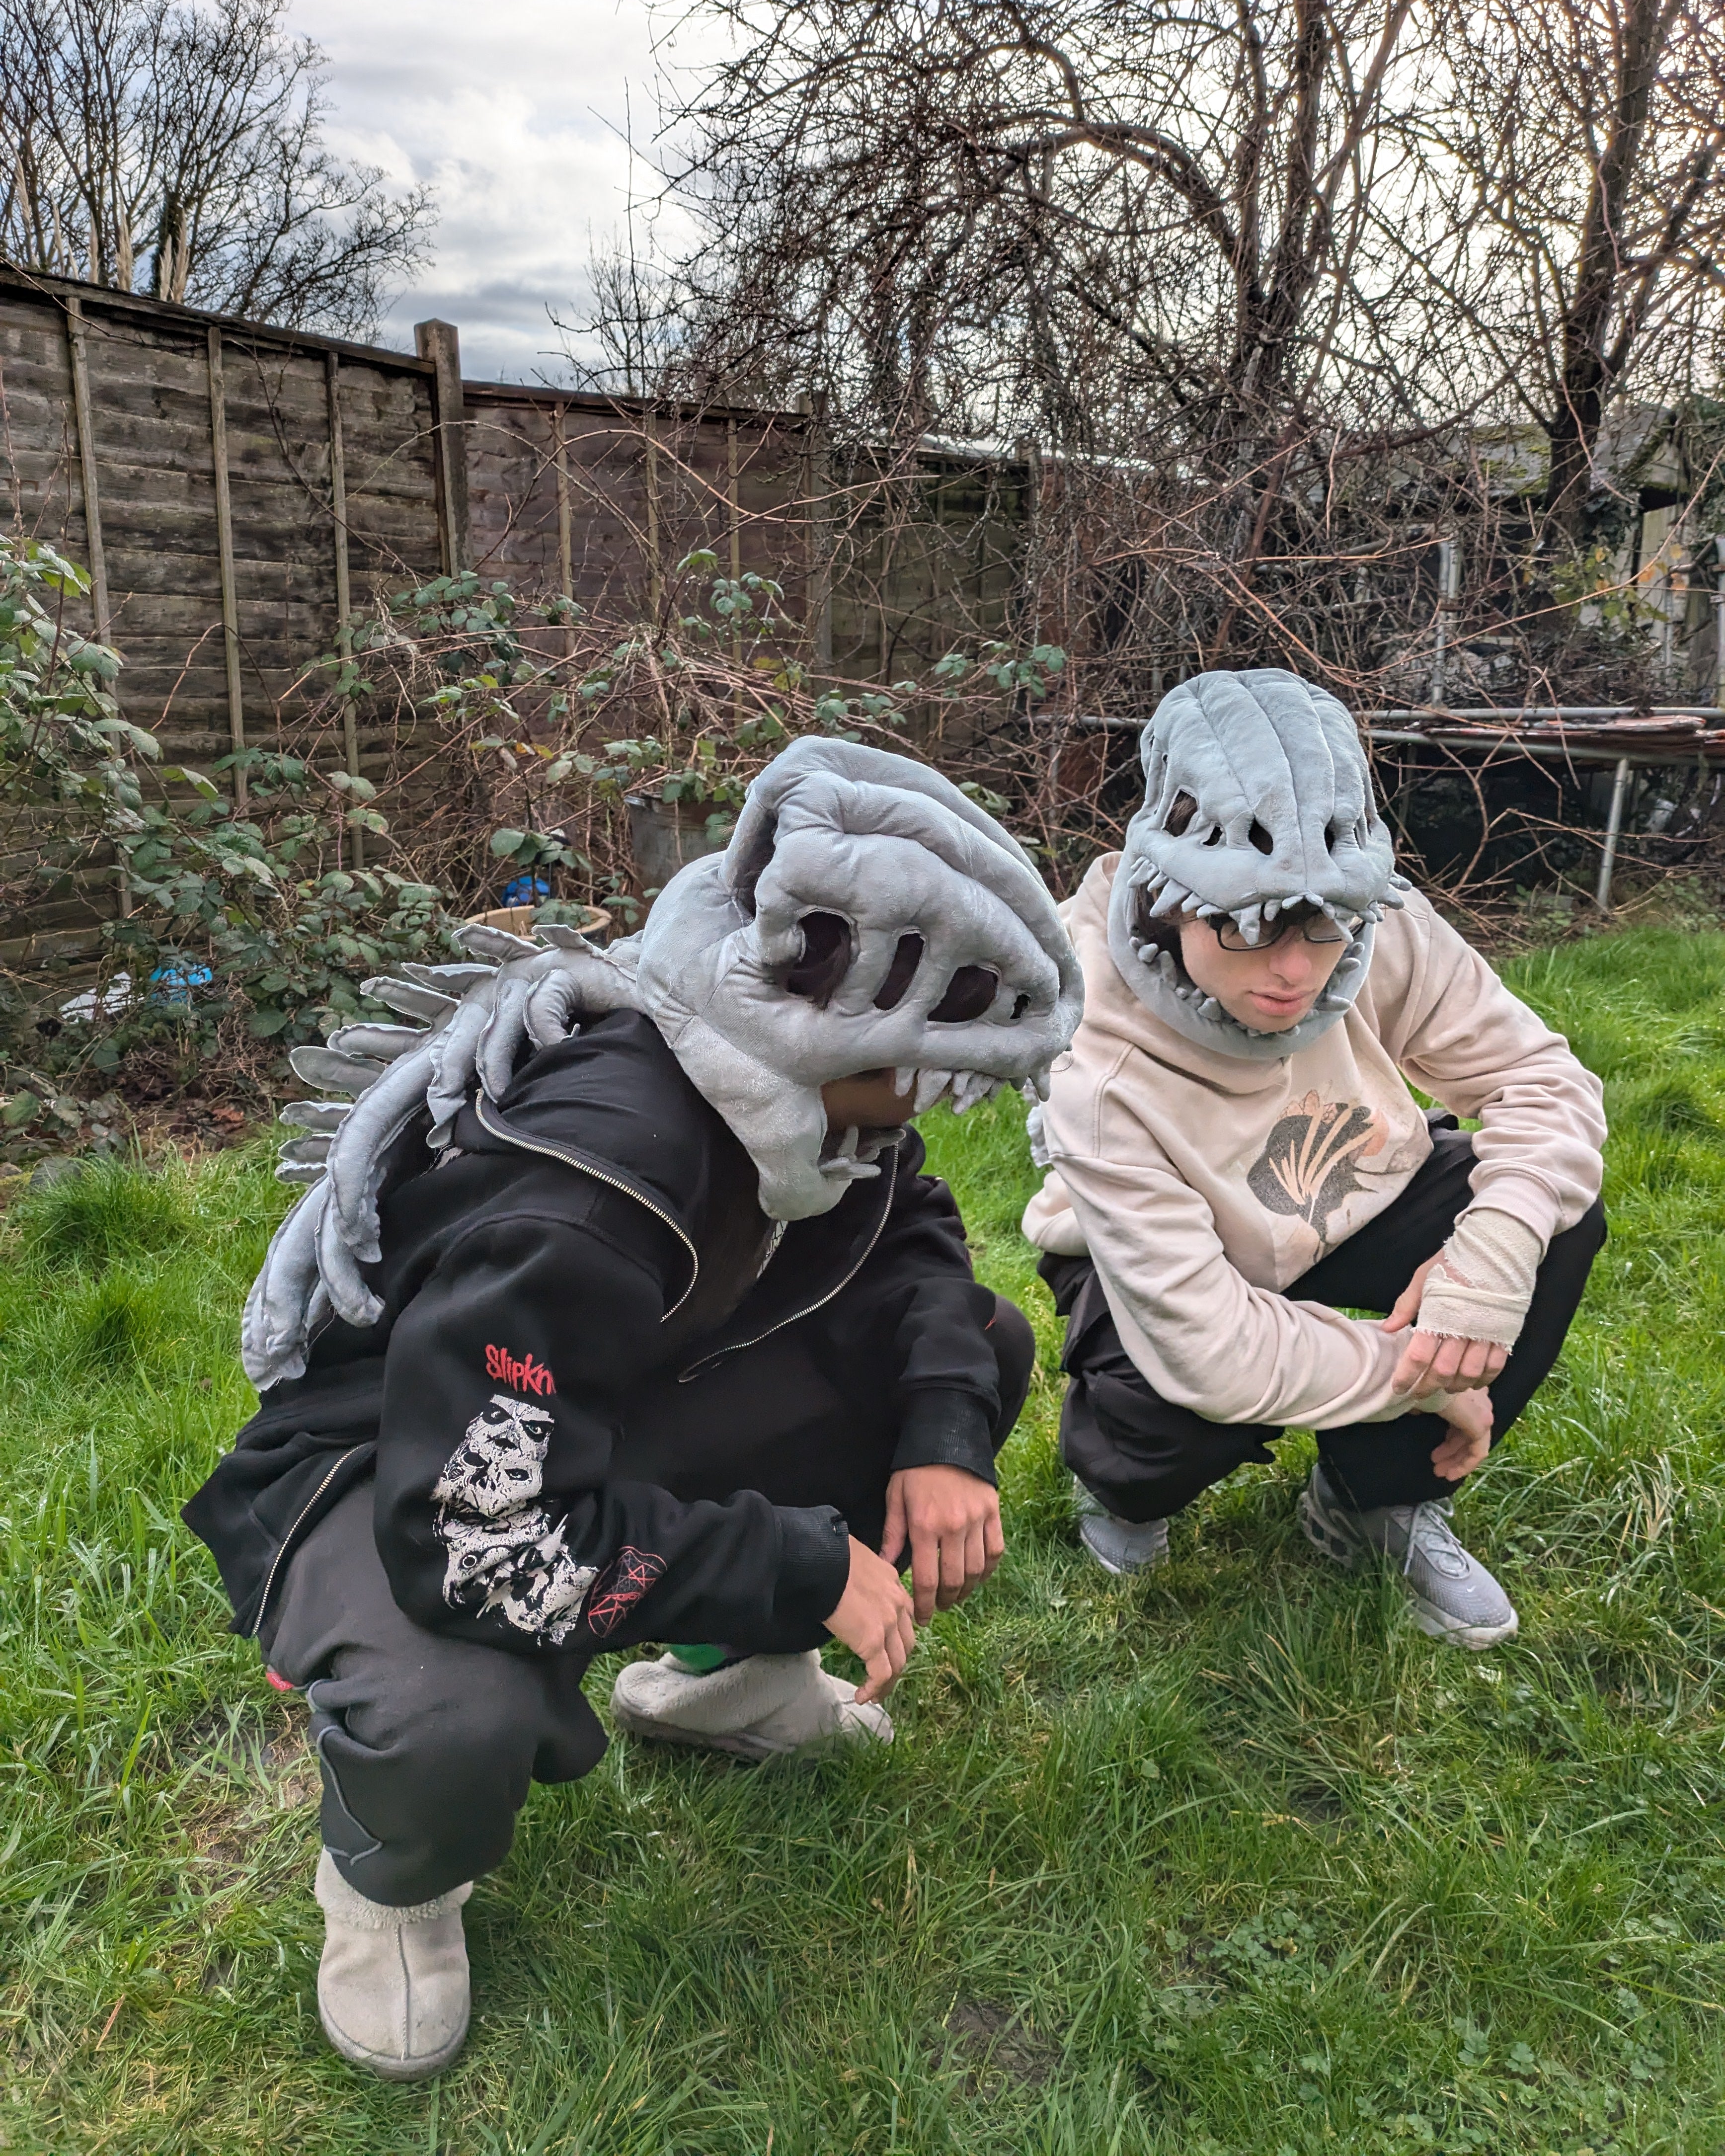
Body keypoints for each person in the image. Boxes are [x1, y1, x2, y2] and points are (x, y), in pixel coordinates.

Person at [183, 738, 1082, 2081]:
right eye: (930, 1061)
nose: (935, 1101)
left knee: (970, 1353)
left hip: (608, 1408)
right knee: (452, 1714)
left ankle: (724, 1688)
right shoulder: (600, 1184)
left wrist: (949, 1428)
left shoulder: (806, 1086)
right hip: (398, 1482)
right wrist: (801, 1558)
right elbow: (473, 1546)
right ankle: (394, 1881)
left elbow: (913, 1236)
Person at [1024, 669, 1606, 1647]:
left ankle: (1370, 1502)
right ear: (1163, 895)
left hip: (1349, 1189)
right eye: (1243, 927)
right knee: (1173, 1410)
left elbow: (1538, 1082)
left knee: (1552, 1219)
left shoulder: (1378, 925)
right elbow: (1208, 1345)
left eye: (1321, 925)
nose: (1293, 969)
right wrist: (1428, 1376)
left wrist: (1485, 1264)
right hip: (1164, 1253)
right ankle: (1122, 1481)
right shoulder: (1084, 1037)